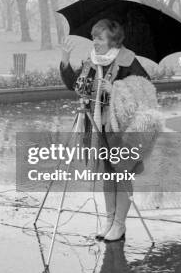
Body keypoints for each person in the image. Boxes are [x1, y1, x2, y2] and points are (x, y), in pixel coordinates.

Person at [59, 18, 156, 242]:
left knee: (122, 174)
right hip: (98, 127)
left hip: (122, 130)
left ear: (113, 40)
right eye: (94, 37)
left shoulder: (128, 60)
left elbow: (145, 90)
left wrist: (115, 89)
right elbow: (76, 86)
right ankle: (109, 219)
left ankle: (120, 224)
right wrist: (65, 61)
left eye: (99, 38)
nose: (95, 42)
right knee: (107, 174)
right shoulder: (93, 61)